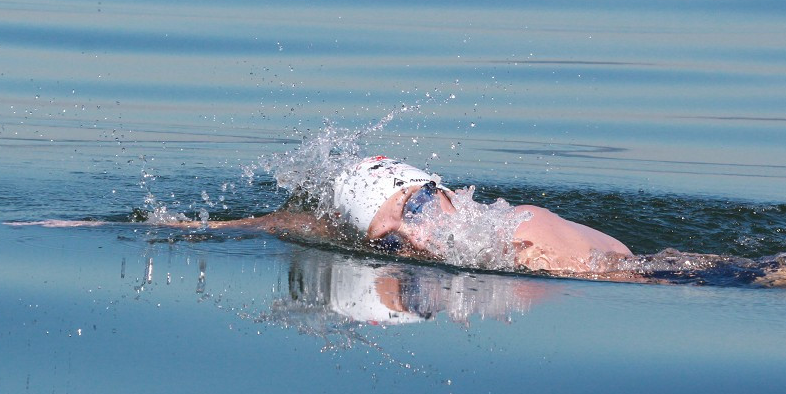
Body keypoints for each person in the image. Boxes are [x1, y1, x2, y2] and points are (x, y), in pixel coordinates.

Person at [191, 155, 633, 276]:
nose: (415, 238)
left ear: (440, 193)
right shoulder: (474, 244)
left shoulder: (523, 237)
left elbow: (654, 278)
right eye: (389, 240)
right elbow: (294, 222)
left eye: (414, 208)